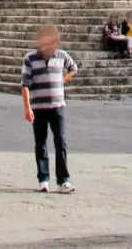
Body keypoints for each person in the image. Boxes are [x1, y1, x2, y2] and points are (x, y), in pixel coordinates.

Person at [21, 24, 78, 193]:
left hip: (58, 105)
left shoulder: (62, 56)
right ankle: (43, 178)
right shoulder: (30, 58)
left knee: (61, 142)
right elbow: (25, 85)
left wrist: (63, 80)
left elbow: (74, 68)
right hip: (38, 106)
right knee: (41, 143)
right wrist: (27, 108)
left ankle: (63, 179)